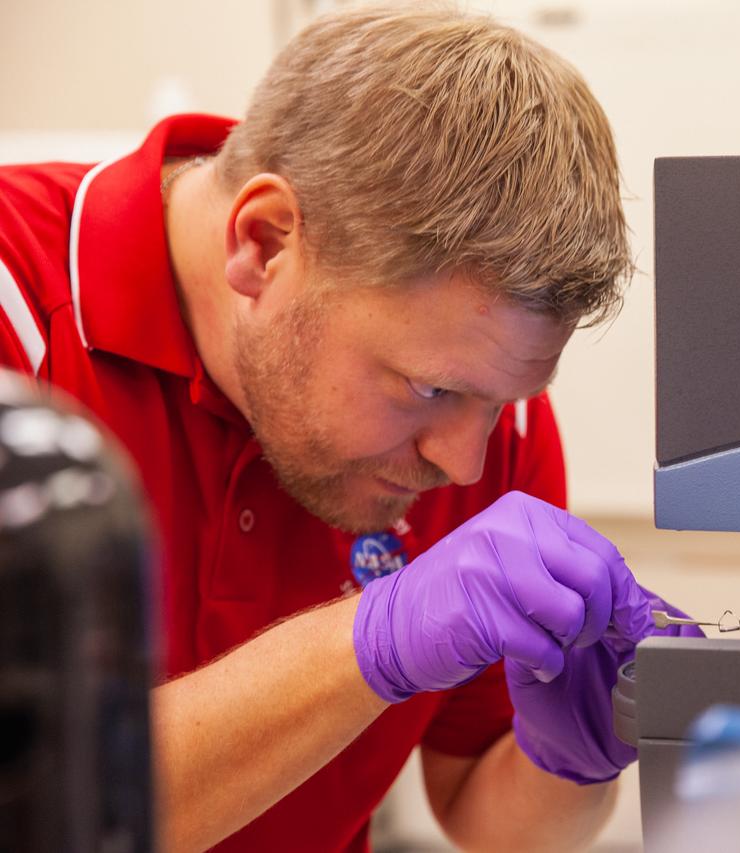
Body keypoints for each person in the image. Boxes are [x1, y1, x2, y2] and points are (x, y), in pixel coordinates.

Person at [0, 6, 696, 851]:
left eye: (499, 400)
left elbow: (486, 812)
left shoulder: (489, 412)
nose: (464, 463)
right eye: (428, 387)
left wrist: (574, 754)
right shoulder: (19, 315)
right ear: (263, 243)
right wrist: (373, 641)